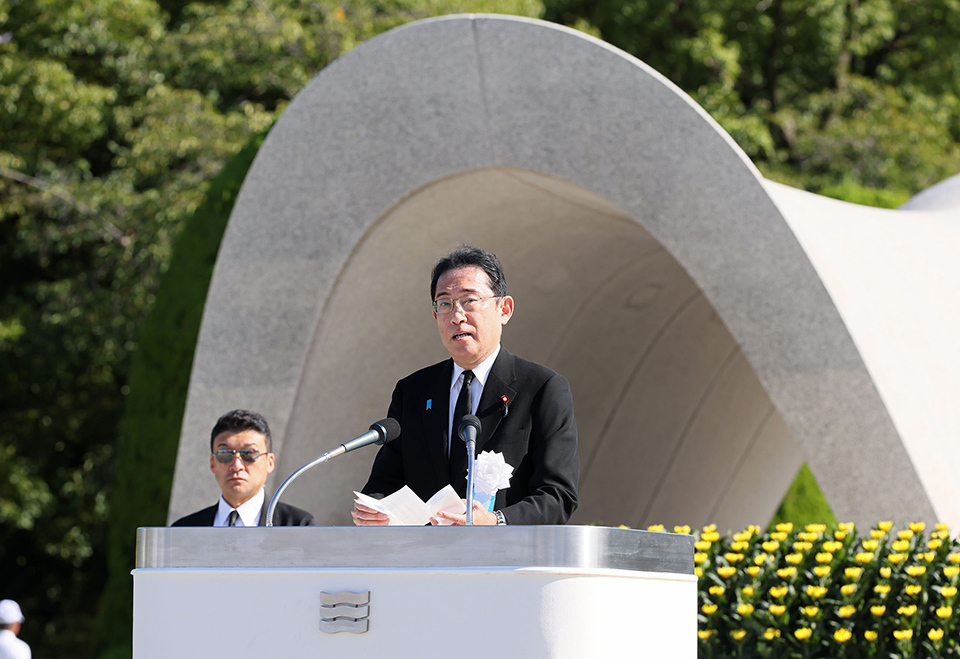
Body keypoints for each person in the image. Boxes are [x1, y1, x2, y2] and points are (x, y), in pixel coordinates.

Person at [352, 245, 579, 526]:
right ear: (435, 316)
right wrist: (372, 508)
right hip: (426, 559)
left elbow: (558, 495)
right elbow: (385, 481)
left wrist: (496, 520)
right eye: (444, 303)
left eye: (469, 301)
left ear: (504, 309)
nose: (456, 315)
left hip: (503, 560)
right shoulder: (413, 391)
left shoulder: (542, 388)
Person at [172, 409, 315, 526]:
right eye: (225, 454)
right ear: (212, 463)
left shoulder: (299, 526)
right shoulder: (185, 530)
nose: (236, 466)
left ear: (269, 462)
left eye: (249, 454)